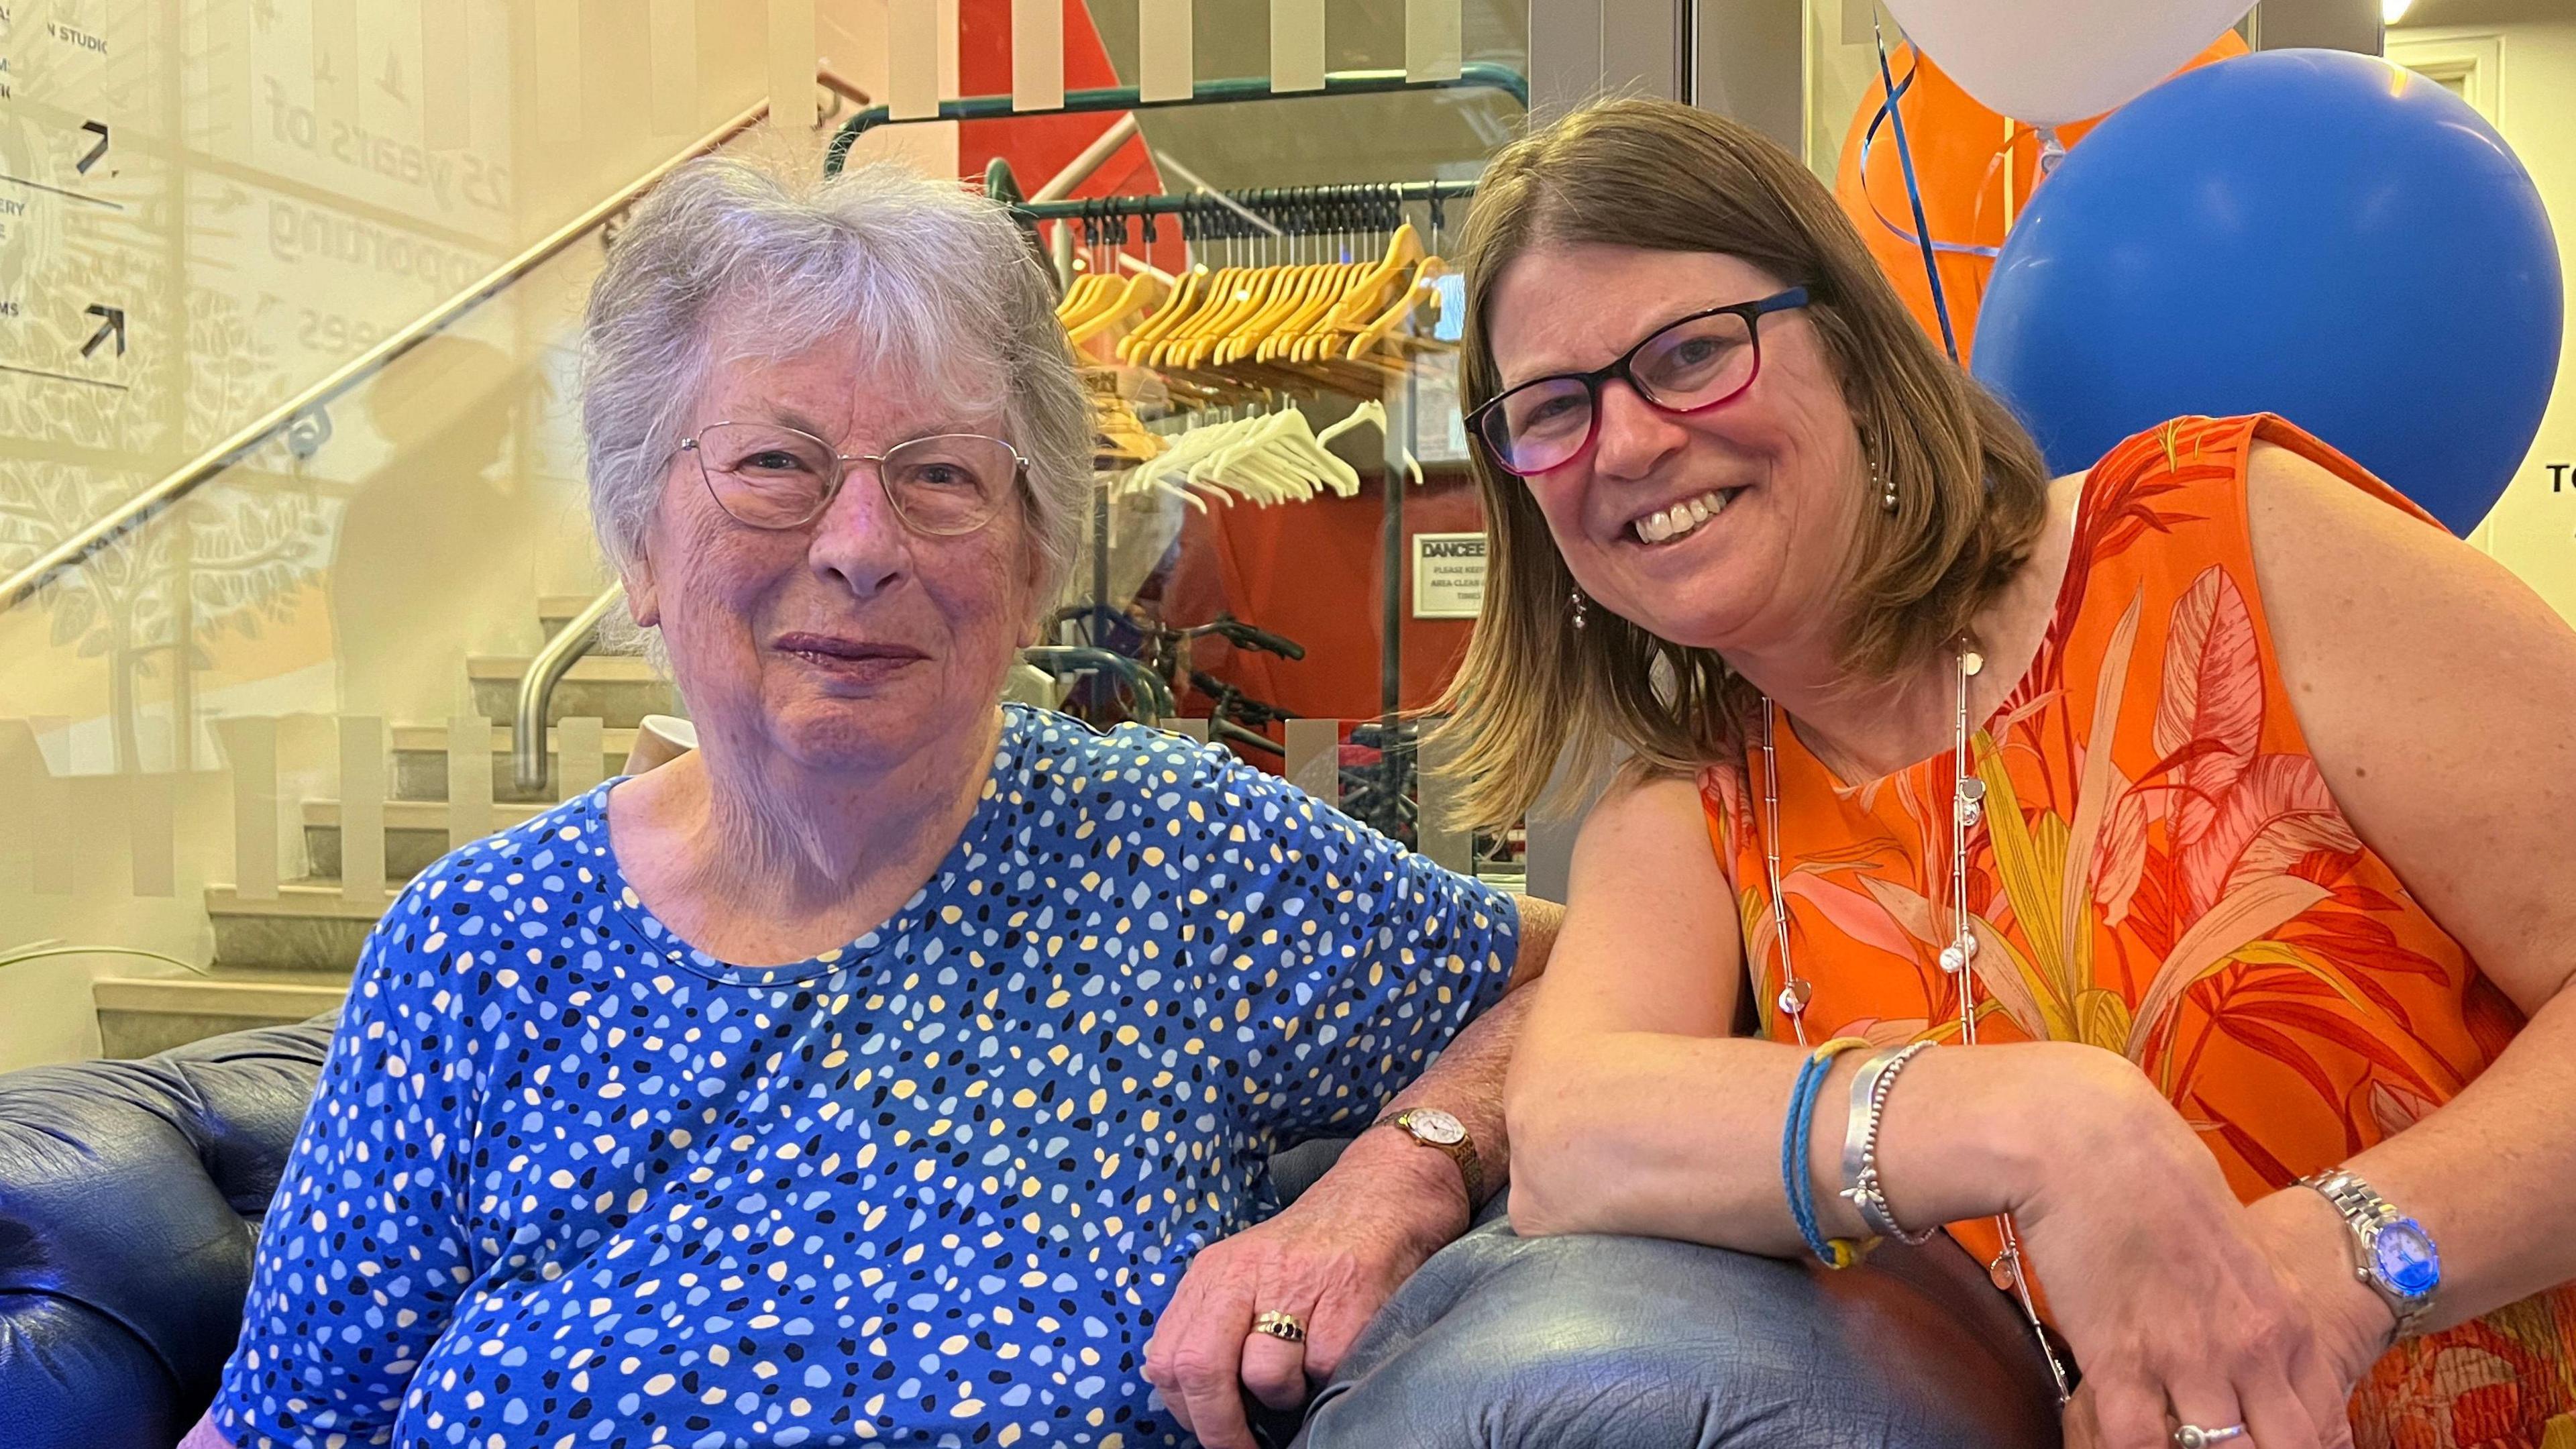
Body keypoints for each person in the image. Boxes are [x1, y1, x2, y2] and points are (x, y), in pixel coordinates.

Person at [181, 149, 1559, 1449]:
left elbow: (1584, 976)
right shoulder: (473, 947)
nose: (859, 546)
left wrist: (1400, 1175)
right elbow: (286, 1422)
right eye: (774, 465)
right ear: (640, 546)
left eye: (940, 476)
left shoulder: (1172, 855)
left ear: (1029, 566)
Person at [1442, 98, 2576, 1448]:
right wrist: (2040, 1123)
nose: (1627, 444)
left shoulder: (2218, 533)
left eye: (1691, 355)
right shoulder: (1690, 804)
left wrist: (2347, 1265)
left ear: (1857, 356)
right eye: (1555, 408)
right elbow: (1574, 1132)